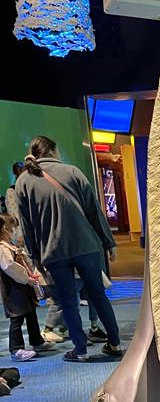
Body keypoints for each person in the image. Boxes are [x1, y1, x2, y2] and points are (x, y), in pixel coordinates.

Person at [15, 136, 123, 363]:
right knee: (98, 295)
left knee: (68, 301)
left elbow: (27, 225)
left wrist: (35, 258)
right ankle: (114, 343)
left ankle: (80, 350)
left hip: (53, 252)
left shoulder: (23, 181)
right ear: (53, 151)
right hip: (86, 246)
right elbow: (94, 210)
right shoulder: (73, 172)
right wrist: (108, 241)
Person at [0, 213, 55, 361]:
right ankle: (16, 349)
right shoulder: (2, 248)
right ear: (5, 228)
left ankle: (37, 341)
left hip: (23, 287)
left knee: (31, 313)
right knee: (17, 318)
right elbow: (9, 267)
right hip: (13, 290)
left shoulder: (10, 245)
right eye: (12, 227)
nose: (14, 230)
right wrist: (26, 278)